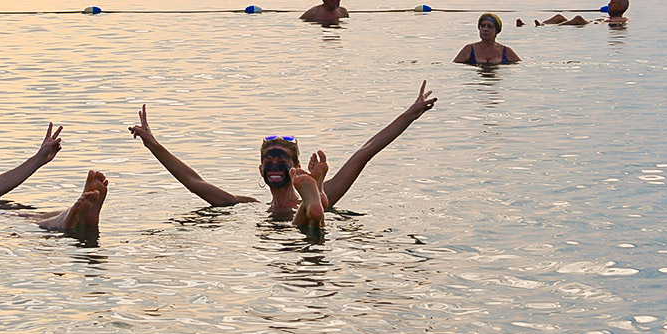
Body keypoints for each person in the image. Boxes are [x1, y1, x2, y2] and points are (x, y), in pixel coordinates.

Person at [129, 82, 437, 228]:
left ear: (296, 168)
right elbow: (193, 181)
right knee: (311, 223)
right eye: (269, 160)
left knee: (309, 224)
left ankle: (312, 204)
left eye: (281, 160)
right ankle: (312, 204)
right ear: (260, 170)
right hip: (311, 229)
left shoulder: (245, 210)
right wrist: (153, 144)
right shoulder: (244, 205)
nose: (274, 164)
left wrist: (410, 114)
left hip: (305, 225)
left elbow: (365, 153)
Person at [517, 0, 629, 27]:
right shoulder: (608, 17)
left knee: (578, 18)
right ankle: (532, 25)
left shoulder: (621, 20)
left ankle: (545, 26)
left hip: (588, 24)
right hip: (591, 22)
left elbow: (621, 23)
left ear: (620, 7)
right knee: (559, 17)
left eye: (612, 3)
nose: (609, 4)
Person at [453, 13, 520, 65]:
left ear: (496, 30)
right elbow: (454, 67)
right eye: (483, 26)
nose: (485, 29)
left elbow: (520, 68)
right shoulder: (469, 49)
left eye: (489, 26)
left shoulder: (506, 51)